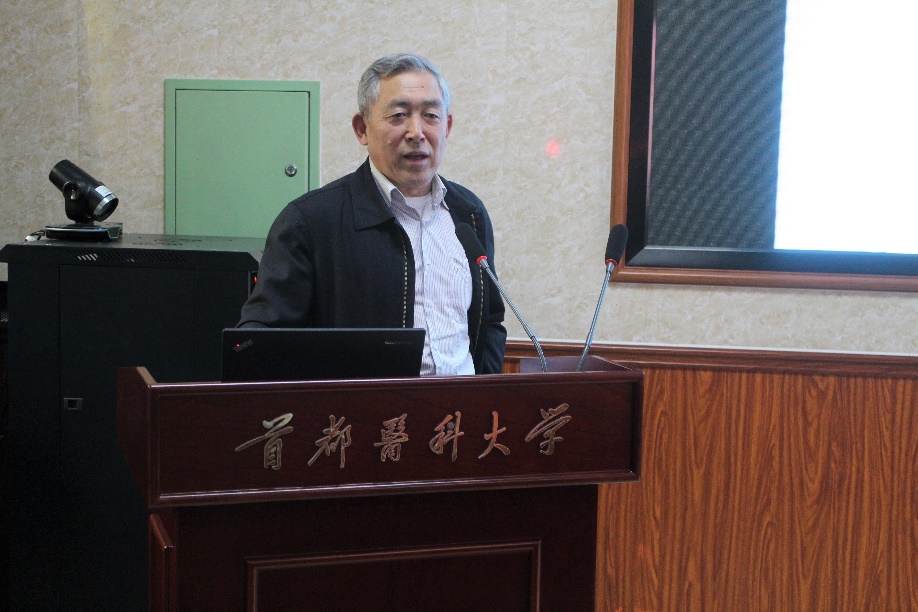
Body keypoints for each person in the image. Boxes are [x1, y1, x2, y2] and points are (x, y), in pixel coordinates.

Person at [238, 53, 506, 375]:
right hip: (366, 406)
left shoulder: (469, 214)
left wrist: (486, 392)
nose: (416, 132)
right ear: (362, 128)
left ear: (447, 126)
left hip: (461, 406)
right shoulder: (309, 222)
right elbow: (262, 338)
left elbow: (490, 321)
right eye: (398, 115)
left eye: (431, 116)